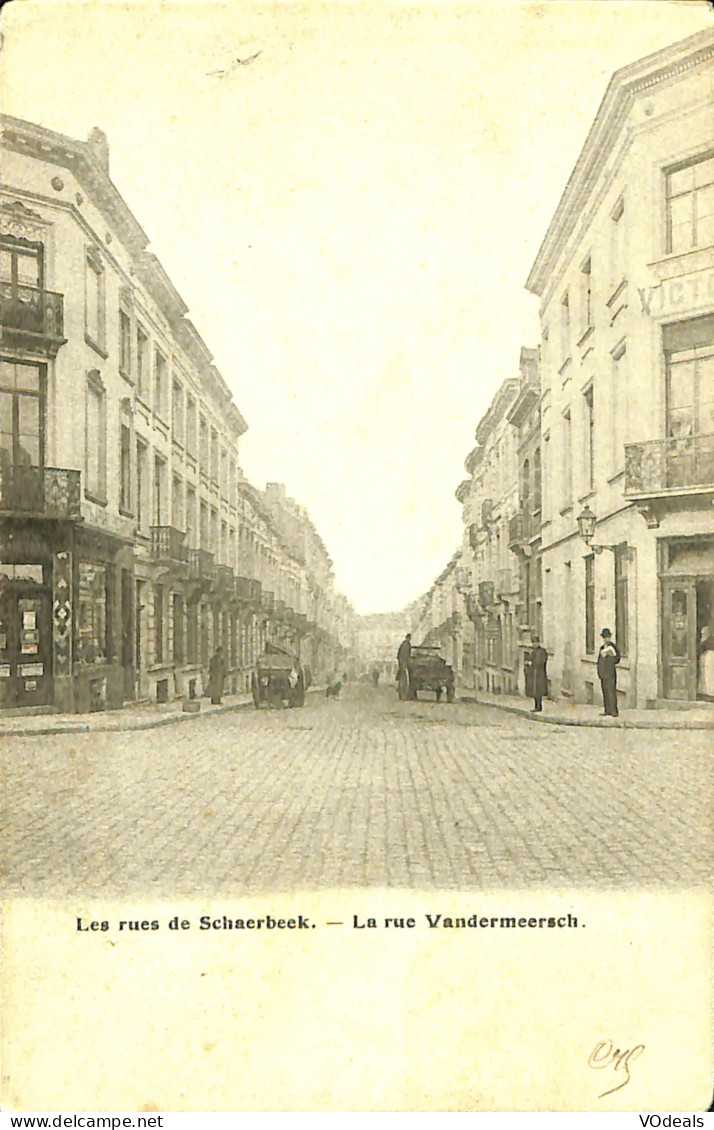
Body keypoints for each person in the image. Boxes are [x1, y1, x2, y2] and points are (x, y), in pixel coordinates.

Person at [597, 629, 620, 716]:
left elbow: (617, 659)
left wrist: (611, 656)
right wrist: (599, 672)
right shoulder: (602, 648)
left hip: (610, 673)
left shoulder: (613, 647)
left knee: (611, 691)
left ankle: (614, 711)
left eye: (607, 637)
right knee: (605, 691)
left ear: (610, 637)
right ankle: (607, 710)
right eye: (604, 637)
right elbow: (599, 661)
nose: (606, 639)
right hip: (603, 673)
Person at [529, 636, 548, 712]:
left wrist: (535, 663)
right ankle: (536, 705)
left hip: (540, 673)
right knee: (534, 690)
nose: (534, 644)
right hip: (534, 673)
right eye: (533, 643)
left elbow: (542, 661)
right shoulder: (533, 652)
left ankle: (539, 706)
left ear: (538, 643)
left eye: (535, 643)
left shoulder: (542, 651)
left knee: (539, 690)